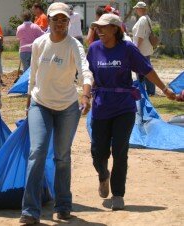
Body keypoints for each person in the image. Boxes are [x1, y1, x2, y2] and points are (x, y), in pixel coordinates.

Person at [86, 13, 176, 211]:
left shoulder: (127, 49)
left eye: (104, 27)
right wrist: (85, 96)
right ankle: (103, 175)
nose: (99, 30)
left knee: (120, 151)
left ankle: (118, 194)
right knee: (97, 151)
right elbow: (88, 74)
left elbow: (146, 69)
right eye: (97, 27)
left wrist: (165, 89)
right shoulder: (93, 49)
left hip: (123, 107)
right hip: (101, 106)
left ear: (116, 29)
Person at [20, 2, 93, 224]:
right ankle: (30, 210)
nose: (60, 24)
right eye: (56, 19)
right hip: (40, 104)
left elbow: (85, 71)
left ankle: (63, 206)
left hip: (67, 108)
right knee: (37, 152)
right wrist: (29, 97)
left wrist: (86, 95)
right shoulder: (39, 44)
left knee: (62, 157)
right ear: (48, 21)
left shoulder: (74, 45)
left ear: (68, 22)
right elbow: (32, 74)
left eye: (64, 20)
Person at [132, 1, 156, 96]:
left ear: (140, 9)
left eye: (137, 8)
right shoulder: (147, 18)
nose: (136, 10)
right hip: (146, 49)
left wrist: (135, 49)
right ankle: (148, 91)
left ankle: (146, 91)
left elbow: (140, 36)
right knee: (146, 70)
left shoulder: (142, 19)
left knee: (143, 71)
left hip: (142, 50)